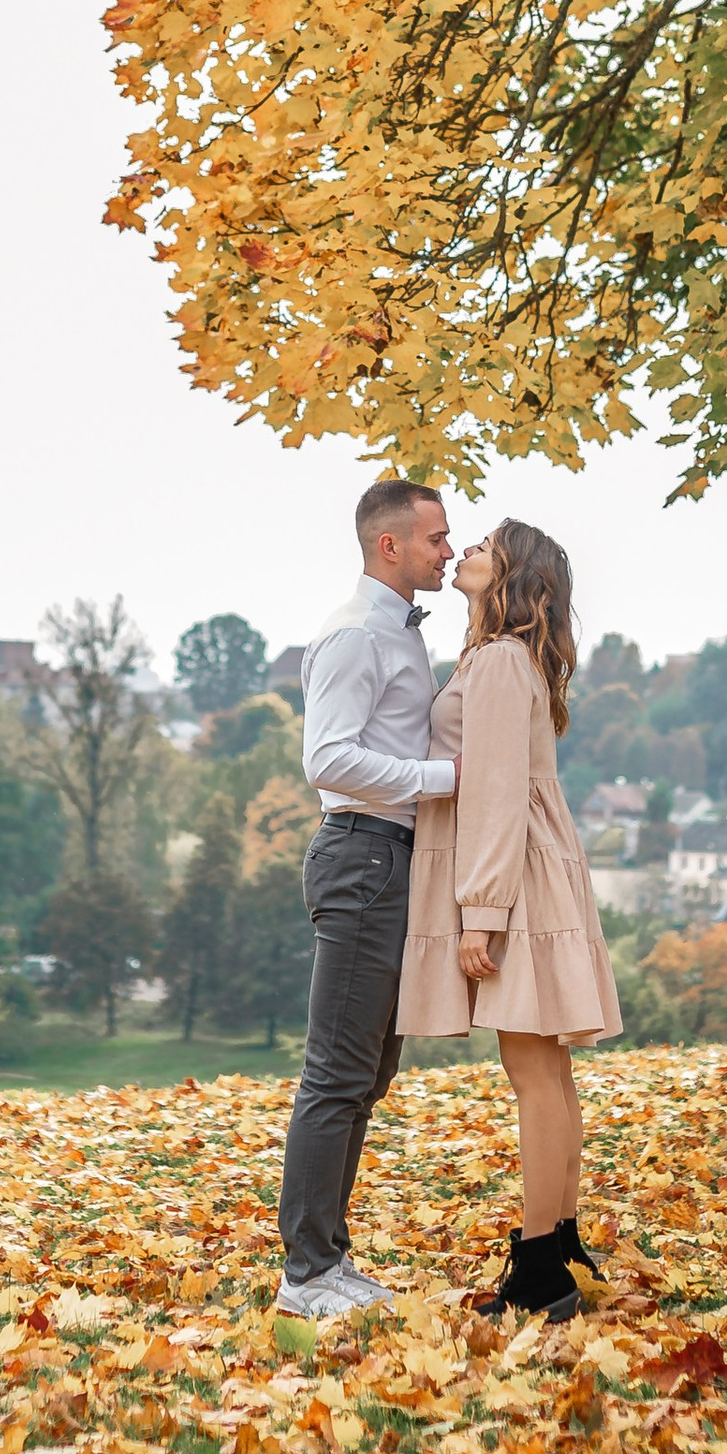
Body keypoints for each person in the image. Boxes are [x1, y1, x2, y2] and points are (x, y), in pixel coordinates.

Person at [400, 517, 621, 1324]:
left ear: (512, 575)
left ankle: (537, 1270)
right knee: (549, 1071)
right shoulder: (514, 660)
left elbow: (490, 795)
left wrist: (478, 916)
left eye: (485, 546)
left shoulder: (496, 662)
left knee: (533, 1074)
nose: (466, 551)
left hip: (518, 880)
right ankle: (558, 1242)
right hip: (542, 867)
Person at [274, 477, 455, 1321]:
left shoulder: (400, 634)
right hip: (361, 857)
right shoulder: (353, 635)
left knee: (369, 1069)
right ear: (391, 545)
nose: (447, 551)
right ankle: (305, 1274)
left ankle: (329, 1259)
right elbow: (329, 759)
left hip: (392, 859)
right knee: (337, 1072)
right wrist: (442, 780)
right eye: (435, 538)